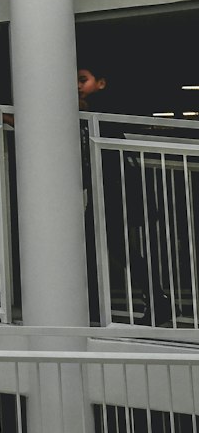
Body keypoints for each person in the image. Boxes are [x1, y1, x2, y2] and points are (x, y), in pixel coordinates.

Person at [77, 63, 172, 326]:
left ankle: (99, 307)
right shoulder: (88, 108)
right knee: (111, 247)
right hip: (107, 188)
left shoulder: (99, 104)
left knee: (99, 246)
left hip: (116, 188)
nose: (76, 85)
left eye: (82, 79)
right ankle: (155, 301)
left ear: (101, 84)